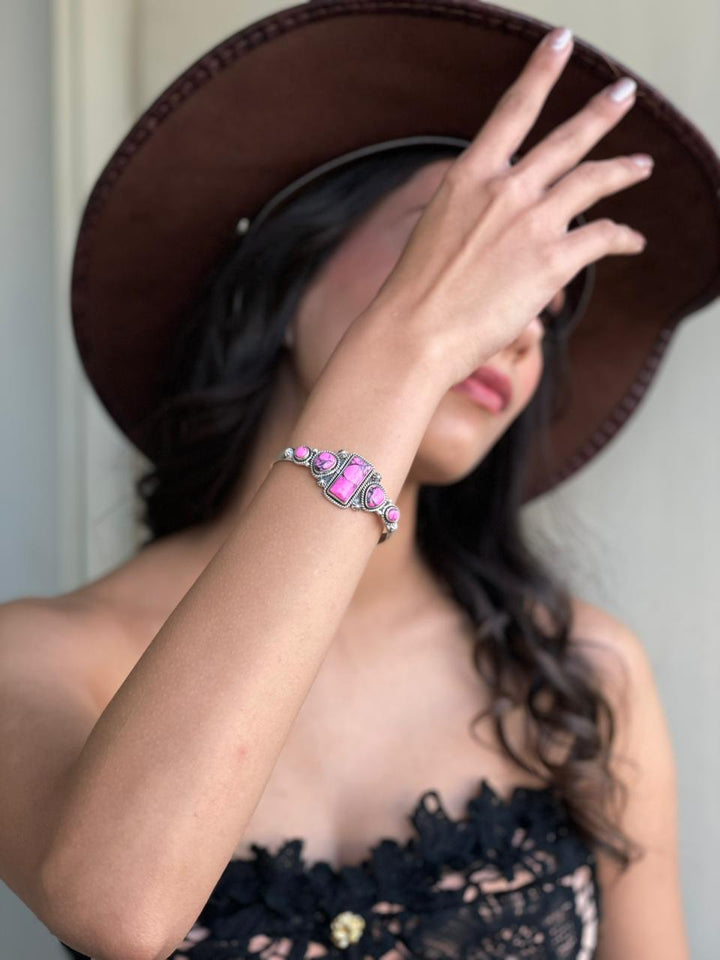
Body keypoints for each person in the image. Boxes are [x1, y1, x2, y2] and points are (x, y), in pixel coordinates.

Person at [0, 5, 709, 959]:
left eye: (544, 308)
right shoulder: (35, 660)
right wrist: (409, 351)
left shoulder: (585, 676)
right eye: (449, 250)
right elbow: (118, 913)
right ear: (289, 279)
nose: (516, 323)